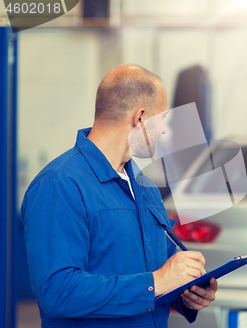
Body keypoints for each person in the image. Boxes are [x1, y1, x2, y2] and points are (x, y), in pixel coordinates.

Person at [21, 65, 217, 327]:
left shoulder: (144, 186)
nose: (165, 131)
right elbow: (58, 292)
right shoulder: (60, 185)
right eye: (162, 120)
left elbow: (160, 268)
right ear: (141, 118)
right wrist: (156, 283)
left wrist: (186, 290)